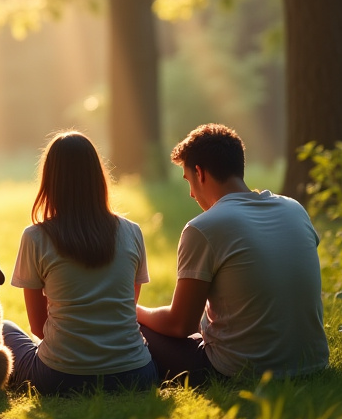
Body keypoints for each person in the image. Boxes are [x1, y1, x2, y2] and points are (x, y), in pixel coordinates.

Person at [137, 123, 329, 385]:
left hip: (238, 371)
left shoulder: (204, 227)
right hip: (311, 362)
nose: (192, 193)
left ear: (200, 173)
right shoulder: (294, 209)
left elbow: (180, 325)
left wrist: (131, 310)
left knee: (132, 329)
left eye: (188, 181)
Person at [5, 132, 159, 394]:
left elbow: (37, 327)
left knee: (4, 329)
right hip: (136, 374)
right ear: (97, 177)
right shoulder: (132, 231)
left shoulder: (35, 237)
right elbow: (127, 306)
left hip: (61, 377)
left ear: (50, 181)